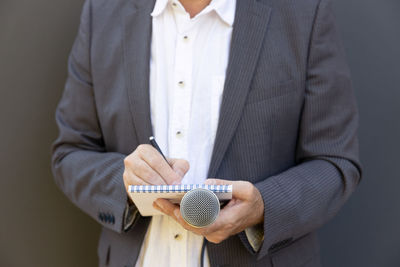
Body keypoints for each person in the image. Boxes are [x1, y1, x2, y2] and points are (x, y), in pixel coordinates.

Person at [51, 0, 362, 266]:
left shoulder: (304, 13)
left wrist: (264, 206)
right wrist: (123, 180)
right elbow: (71, 153)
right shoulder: (103, 12)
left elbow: (334, 161)